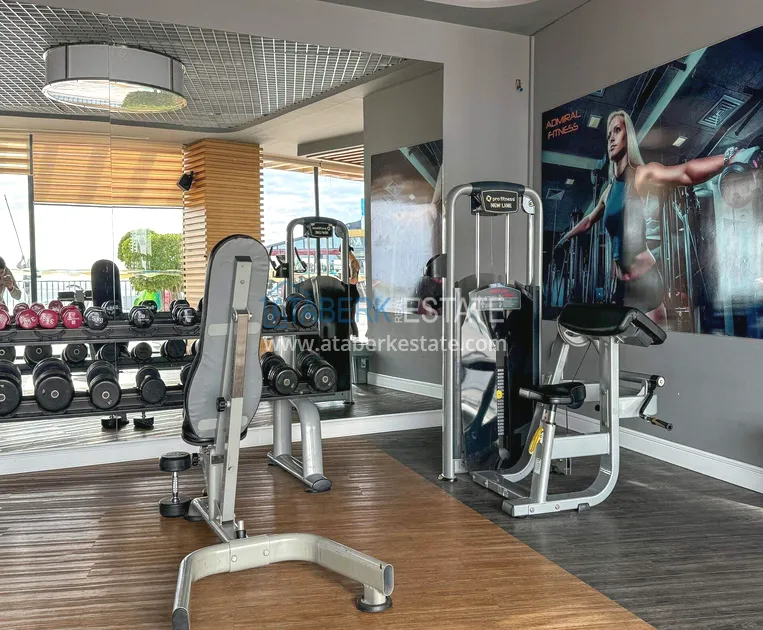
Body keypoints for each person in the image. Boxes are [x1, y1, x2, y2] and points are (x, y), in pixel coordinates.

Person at [555, 109, 759, 325]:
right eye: (608, 135)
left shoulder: (641, 175)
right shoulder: (608, 191)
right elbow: (589, 220)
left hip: (646, 283)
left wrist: (729, 158)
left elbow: (685, 172)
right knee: (623, 341)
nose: (611, 138)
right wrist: (565, 239)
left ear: (628, 137)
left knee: (653, 339)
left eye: (617, 131)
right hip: (621, 286)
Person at [348, 246, 361, 337]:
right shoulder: (352, 261)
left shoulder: (353, 262)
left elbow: (354, 280)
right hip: (352, 293)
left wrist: (343, 280)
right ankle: (354, 337)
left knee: (350, 318)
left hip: (351, 293)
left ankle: (355, 337)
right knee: (350, 318)